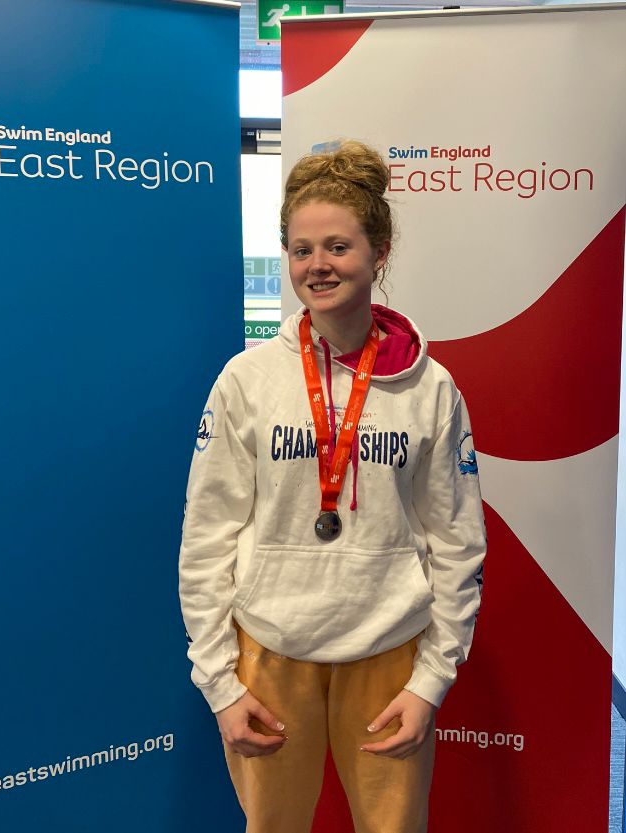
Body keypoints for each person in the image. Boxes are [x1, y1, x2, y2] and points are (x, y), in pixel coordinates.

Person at [179, 139, 486, 833]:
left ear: (379, 253)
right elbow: (206, 536)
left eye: (338, 246)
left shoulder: (430, 388)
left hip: (389, 652)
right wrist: (219, 682)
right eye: (301, 249)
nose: (317, 264)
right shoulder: (246, 381)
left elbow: (457, 539)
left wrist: (431, 680)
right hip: (268, 653)